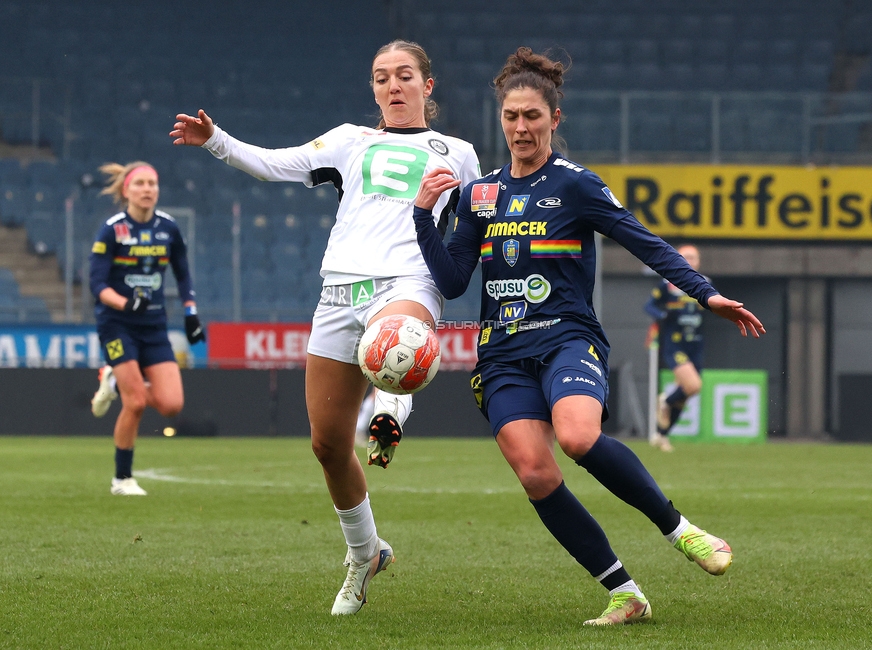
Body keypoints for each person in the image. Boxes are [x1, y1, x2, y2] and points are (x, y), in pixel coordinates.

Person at [411, 47, 765, 626]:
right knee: (534, 471)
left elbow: (643, 240)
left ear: (555, 119)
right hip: (501, 353)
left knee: (577, 437)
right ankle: (625, 593)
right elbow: (451, 281)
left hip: (565, 338)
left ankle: (680, 531)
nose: (521, 127)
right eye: (510, 116)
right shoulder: (479, 195)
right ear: (499, 119)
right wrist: (425, 216)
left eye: (532, 116)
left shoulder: (576, 186)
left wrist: (705, 293)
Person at [169, 40, 482, 615]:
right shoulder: (347, 141)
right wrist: (214, 140)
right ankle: (365, 554)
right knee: (327, 444)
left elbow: (475, 228)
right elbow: (272, 163)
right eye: (381, 77)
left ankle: (390, 410)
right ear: (373, 88)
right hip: (340, 292)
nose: (393, 85)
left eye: (405, 76)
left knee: (398, 343)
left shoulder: (459, 154)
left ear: (427, 86)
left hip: (409, 282)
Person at [89, 161, 206, 496]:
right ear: (126, 190)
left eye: (152, 183)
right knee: (136, 401)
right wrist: (126, 304)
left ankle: (111, 380)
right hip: (116, 324)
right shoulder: (111, 229)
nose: (147, 189)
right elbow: (97, 285)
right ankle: (122, 479)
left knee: (171, 404)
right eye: (139, 183)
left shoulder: (168, 228)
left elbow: (183, 274)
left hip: (154, 325)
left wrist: (190, 313)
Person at [644, 243, 706, 452]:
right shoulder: (667, 285)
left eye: (693, 258)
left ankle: (662, 435)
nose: (690, 261)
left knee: (687, 393)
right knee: (694, 385)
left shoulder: (704, 283)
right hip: (674, 343)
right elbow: (649, 306)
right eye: (685, 257)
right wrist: (663, 315)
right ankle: (665, 402)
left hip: (695, 343)